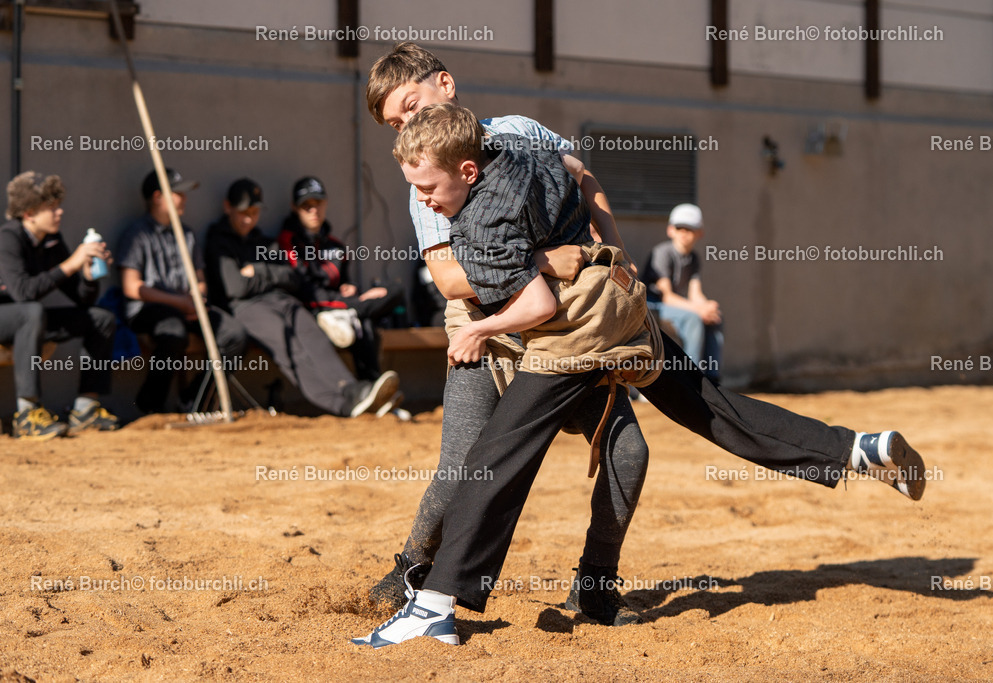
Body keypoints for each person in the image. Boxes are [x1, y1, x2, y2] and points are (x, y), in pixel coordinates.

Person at [353, 103, 927, 649]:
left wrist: (480, 329)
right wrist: (609, 251)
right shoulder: (518, 145)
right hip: (623, 304)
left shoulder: (480, 223)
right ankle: (856, 450)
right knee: (709, 405)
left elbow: (537, 306)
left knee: (499, 453)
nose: (422, 200)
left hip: (574, 332)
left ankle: (433, 606)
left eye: (427, 188)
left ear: (466, 169)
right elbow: (576, 168)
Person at [362, 41, 650, 628]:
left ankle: (595, 587)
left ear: (445, 84)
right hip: (482, 329)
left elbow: (583, 176)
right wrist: (544, 261)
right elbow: (449, 279)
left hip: (562, 331)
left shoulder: (520, 131)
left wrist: (614, 253)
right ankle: (411, 568)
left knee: (629, 451)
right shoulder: (426, 177)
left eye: (411, 106)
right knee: (462, 467)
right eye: (395, 123)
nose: (408, 125)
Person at [204, 178, 399, 417]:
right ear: (228, 207)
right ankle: (342, 405)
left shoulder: (264, 241)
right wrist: (271, 275)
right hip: (246, 308)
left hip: (281, 301)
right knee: (292, 350)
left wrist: (258, 271)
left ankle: (353, 390)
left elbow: (291, 278)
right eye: (243, 213)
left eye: (254, 213)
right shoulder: (217, 242)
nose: (249, 219)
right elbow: (236, 288)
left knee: (314, 337)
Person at [116, 168, 248, 414]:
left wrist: (197, 300)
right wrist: (179, 303)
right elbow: (132, 287)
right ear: (158, 197)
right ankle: (150, 406)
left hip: (188, 307)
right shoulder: (136, 234)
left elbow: (200, 279)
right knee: (173, 332)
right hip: (150, 310)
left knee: (234, 334)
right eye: (178, 193)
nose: (184, 199)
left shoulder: (186, 234)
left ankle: (195, 400)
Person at [0, 171, 120, 438]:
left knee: (101, 318)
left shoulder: (51, 240)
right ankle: (27, 414)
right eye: (51, 207)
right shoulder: (8, 237)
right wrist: (70, 264)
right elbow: (23, 293)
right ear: (29, 213)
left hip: (29, 320)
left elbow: (81, 298)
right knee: (31, 311)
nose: (60, 212)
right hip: (9, 318)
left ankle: (86, 409)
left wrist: (87, 277)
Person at [278, 176, 403, 388]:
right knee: (361, 319)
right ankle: (370, 387)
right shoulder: (287, 241)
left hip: (343, 306)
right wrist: (352, 302)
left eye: (318, 203)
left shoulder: (336, 246)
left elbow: (343, 282)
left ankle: (372, 391)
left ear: (325, 203)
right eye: (306, 205)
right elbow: (303, 289)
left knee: (393, 291)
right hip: (312, 308)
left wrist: (352, 290)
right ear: (295, 207)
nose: (314, 210)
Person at [643, 203, 723, 381]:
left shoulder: (694, 258)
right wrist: (699, 310)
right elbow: (667, 297)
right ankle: (692, 379)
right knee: (693, 318)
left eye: (690, 229)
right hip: (652, 306)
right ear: (670, 230)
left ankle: (712, 378)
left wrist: (707, 306)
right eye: (680, 228)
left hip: (672, 306)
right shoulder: (662, 253)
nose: (684, 233)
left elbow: (695, 294)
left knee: (715, 318)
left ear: (700, 233)